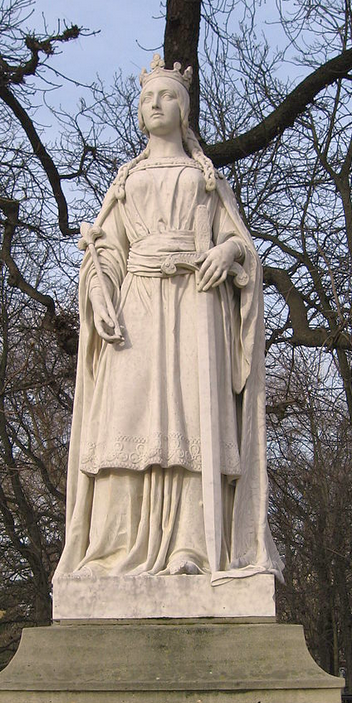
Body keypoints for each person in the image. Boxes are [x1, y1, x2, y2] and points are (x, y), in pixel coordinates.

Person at [53, 55, 283, 583]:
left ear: (185, 110)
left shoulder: (205, 178)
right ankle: (112, 550)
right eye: (147, 98)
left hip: (196, 304)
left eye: (168, 96)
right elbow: (107, 249)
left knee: (193, 419)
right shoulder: (126, 180)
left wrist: (228, 252)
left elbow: (240, 243)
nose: (155, 104)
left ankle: (192, 547)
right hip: (136, 306)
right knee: (125, 418)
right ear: (140, 113)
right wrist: (100, 292)